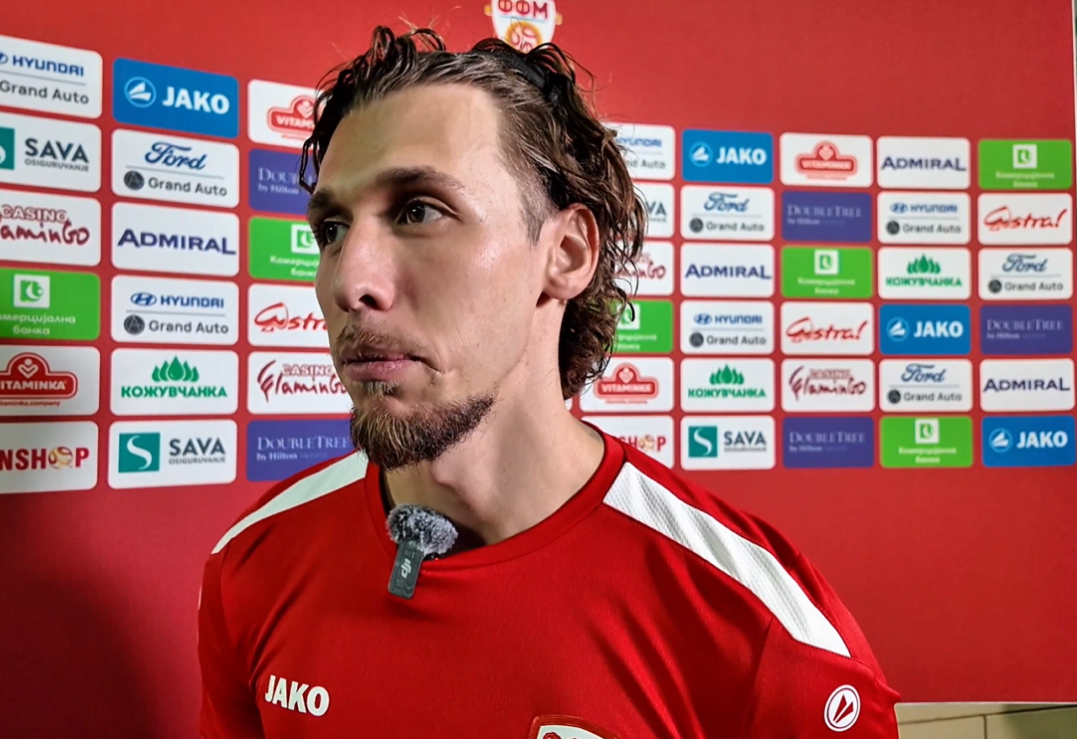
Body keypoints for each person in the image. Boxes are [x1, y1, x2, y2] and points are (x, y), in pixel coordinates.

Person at [198, 25, 900, 739]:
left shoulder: (763, 638)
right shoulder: (251, 563)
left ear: (564, 253)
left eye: (418, 211)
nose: (349, 280)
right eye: (332, 230)